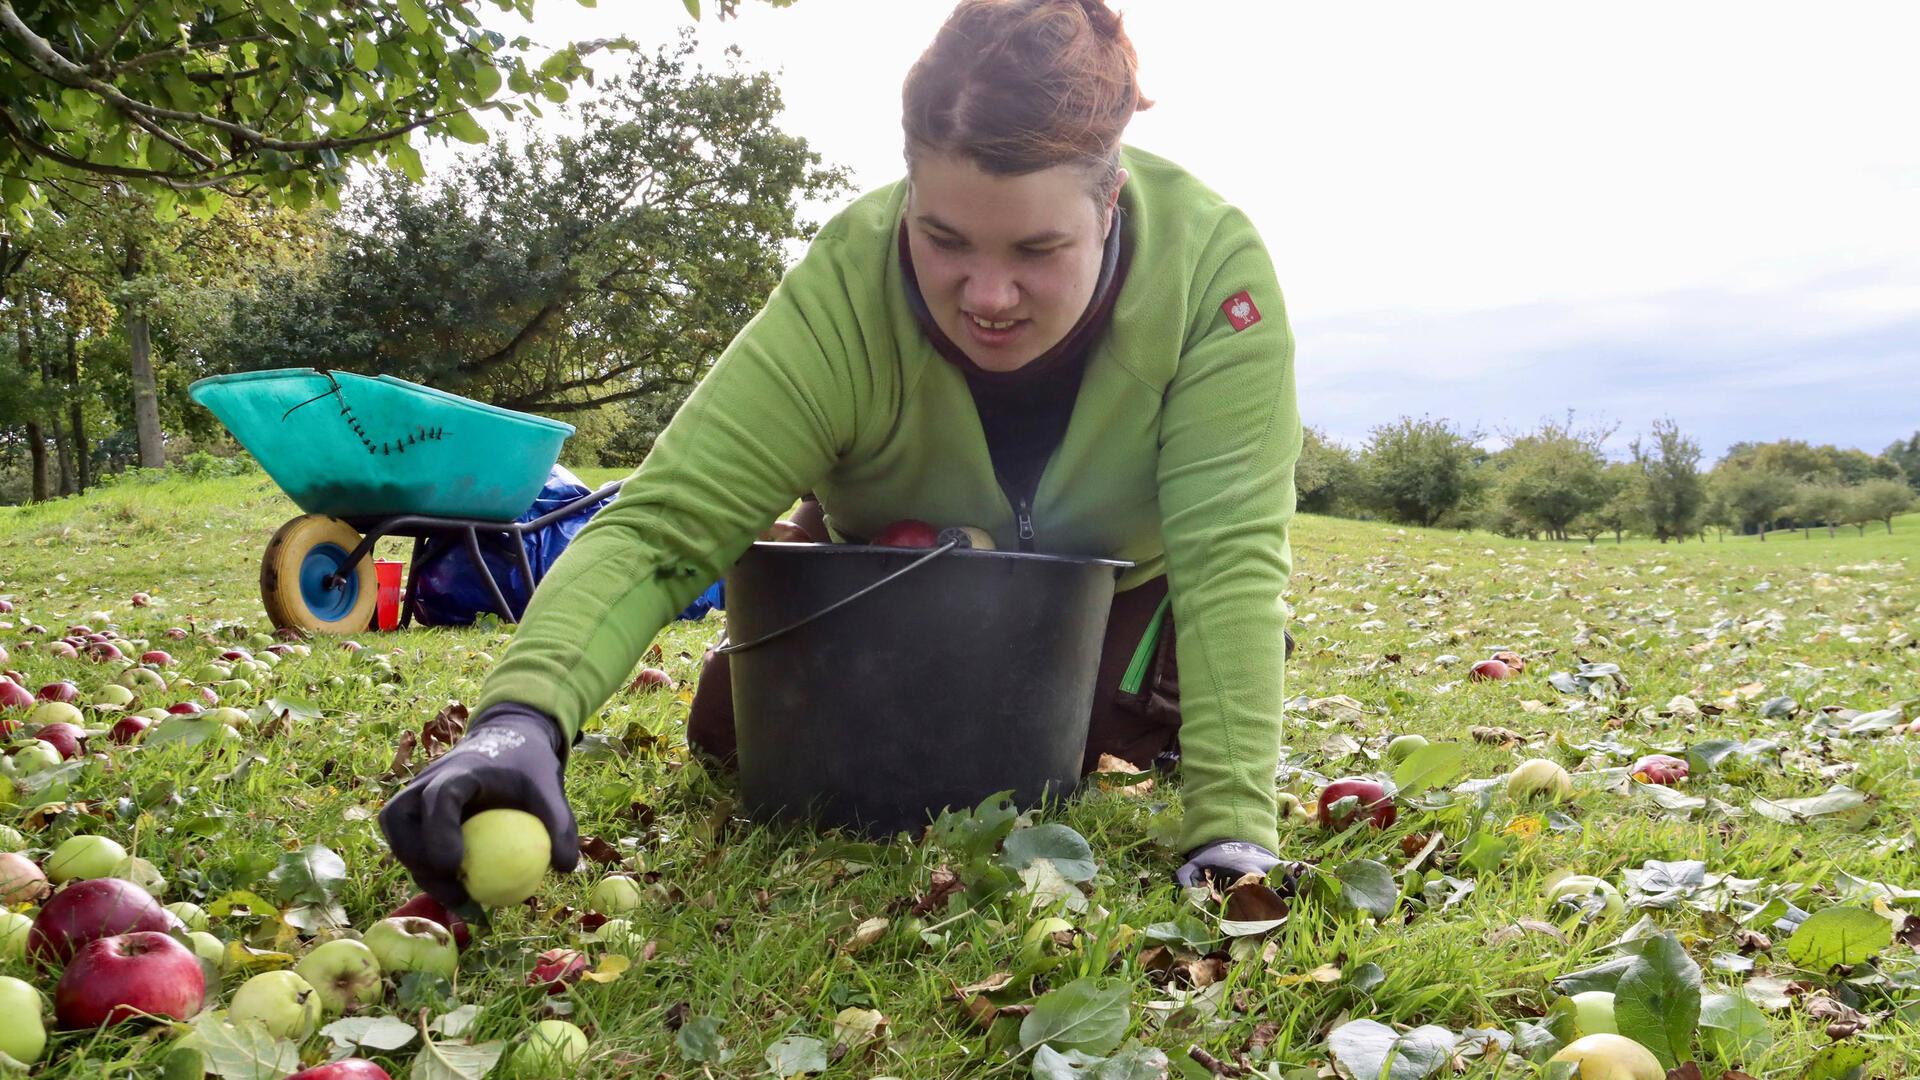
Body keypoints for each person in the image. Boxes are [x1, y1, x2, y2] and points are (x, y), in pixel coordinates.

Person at [379, 0, 1302, 902]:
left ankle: (1166, 705)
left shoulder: (1213, 275)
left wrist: (1230, 833)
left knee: (1039, 765)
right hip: (882, 583)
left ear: (1110, 200)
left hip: (1108, 606)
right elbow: (667, 523)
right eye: (943, 238)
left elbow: (1228, 559)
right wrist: (518, 720)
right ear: (909, 191)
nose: (987, 294)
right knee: (736, 731)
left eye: (1037, 249)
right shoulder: (846, 283)